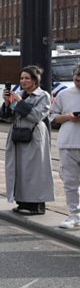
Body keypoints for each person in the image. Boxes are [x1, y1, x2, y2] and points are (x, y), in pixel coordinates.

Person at [0, 65, 54, 215]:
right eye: (22, 78)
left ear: (35, 80)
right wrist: (7, 102)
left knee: (35, 171)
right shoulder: (19, 94)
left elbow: (37, 116)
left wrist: (19, 101)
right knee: (18, 169)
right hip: (17, 135)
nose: (23, 81)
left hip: (34, 135)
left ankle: (36, 206)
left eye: (27, 78)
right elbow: (8, 116)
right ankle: (22, 202)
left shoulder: (43, 95)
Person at [51, 63, 80, 228]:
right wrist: (68, 117)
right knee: (70, 181)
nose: (79, 84)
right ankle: (74, 215)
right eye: (77, 80)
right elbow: (52, 117)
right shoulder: (64, 94)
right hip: (68, 142)